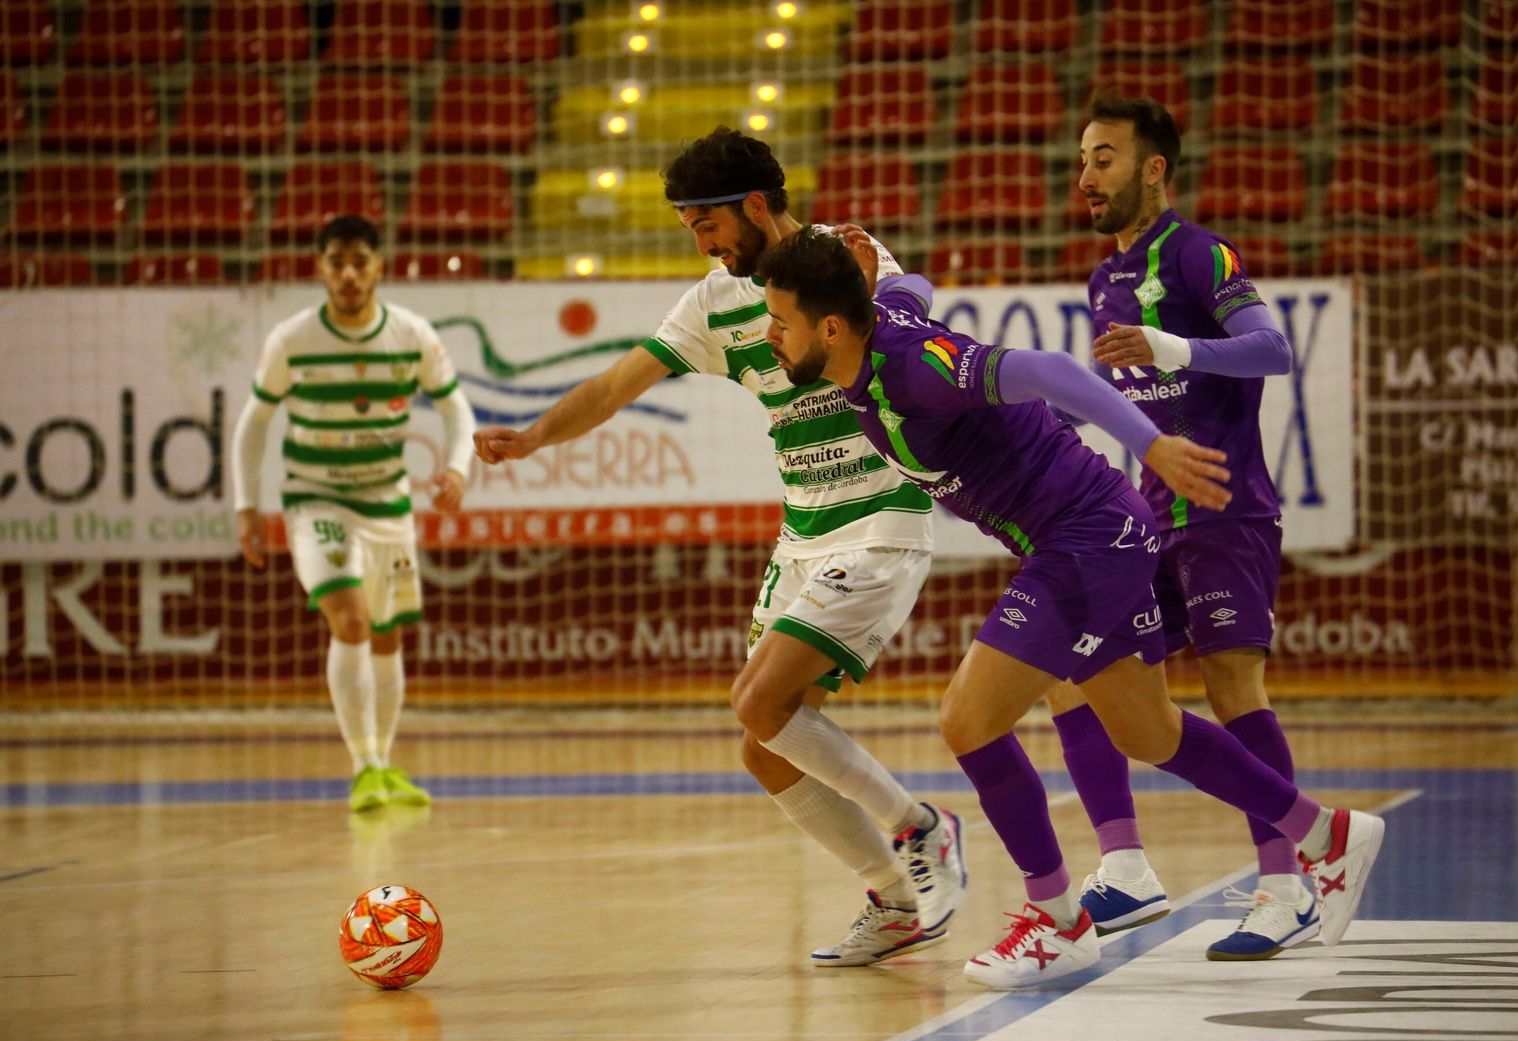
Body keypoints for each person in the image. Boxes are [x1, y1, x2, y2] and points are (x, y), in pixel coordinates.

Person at [756, 225, 1385, 990]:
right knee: (1147, 730)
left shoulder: (915, 369)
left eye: (779, 322)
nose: (769, 338)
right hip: (1093, 534)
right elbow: (909, 289)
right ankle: (1327, 832)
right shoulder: (875, 325)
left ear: (828, 327)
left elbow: (1051, 370)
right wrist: (869, 263)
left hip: (1086, 538)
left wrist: (1150, 444)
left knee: (967, 719)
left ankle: (1056, 920)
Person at [473, 127, 967, 966]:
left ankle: (923, 828)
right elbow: (614, 384)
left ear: (751, 205)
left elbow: (913, 339)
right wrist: (531, 439)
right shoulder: (712, 302)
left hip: (881, 513)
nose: (701, 244)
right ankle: (892, 898)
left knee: (758, 704)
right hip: (804, 528)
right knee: (764, 742)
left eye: (705, 226)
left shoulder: (845, 256)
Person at [1045, 95, 1317, 962]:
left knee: (1233, 683)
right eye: (1084, 159)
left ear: (1152, 168)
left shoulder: (1199, 254)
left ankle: (1287, 885)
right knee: (1068, 667)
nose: (1086, 175)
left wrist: (1174, 348)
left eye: (1104, 159)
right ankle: (1124, 865)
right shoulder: (1102, 278)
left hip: (1227, 509)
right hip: (1150, 519)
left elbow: (1272, 350)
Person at [232, 215, 476, 813]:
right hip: (314, 497)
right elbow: (253, 422)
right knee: (351, 621)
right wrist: (245, 504)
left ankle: (384, 763)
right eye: (336, 262)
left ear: (378, 267)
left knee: (388, 634)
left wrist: (457, 468)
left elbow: (458, 412)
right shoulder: (292, 339)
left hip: (387, 504)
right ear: (320, 267)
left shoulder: (412, 334)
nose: (347, 274)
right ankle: (363, 766)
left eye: (359, 262)